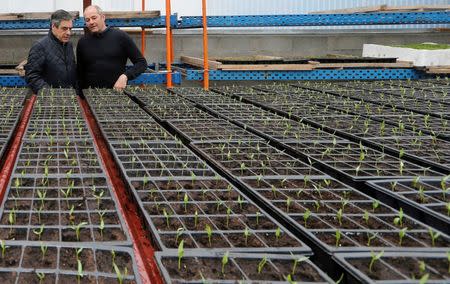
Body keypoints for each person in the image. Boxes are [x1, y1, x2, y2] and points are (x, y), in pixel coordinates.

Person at [77, 5, 147, 91]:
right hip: (90, 95)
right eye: (87, 20)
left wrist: (125, 76)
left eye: (94, 18)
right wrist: (79, 95)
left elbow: (141, 63)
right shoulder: (83, 42)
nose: (91, 22)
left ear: (103, 17)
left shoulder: (120, 37)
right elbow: (80, 72)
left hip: (116, 94)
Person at [24, 10, 77, 94]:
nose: (68, 33)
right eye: (64, 28)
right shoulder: (40, 46)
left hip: (68, 97)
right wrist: (50, 93)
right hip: (50, 100)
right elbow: (32, 76)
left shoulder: (68, 45)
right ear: (53, 26)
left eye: (70, 29)